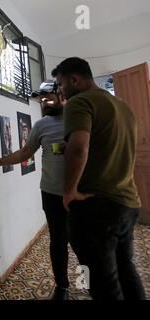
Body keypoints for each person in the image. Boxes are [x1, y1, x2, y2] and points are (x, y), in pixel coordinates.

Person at [52, 57, 145, 300]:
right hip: (128, 203)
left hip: (98, 207)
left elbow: (79, 148)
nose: (61, 92)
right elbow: (106, 145)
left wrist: (69, 190)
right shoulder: (122, 105)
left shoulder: (80, 101)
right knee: (127, 272)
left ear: (75, 79)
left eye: (61, 85)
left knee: (105, 284)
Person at [0, 80, 70, 300]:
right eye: (41, 100)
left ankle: (91, 283)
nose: (44, 103)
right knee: (58, 242)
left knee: (85, 243)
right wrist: (0, 161)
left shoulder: (79, 118)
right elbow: (25, 153)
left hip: (80, 194)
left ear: (61, 95)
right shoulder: (41, 126)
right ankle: (62, 286)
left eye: (49, 98)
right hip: (52, 193)